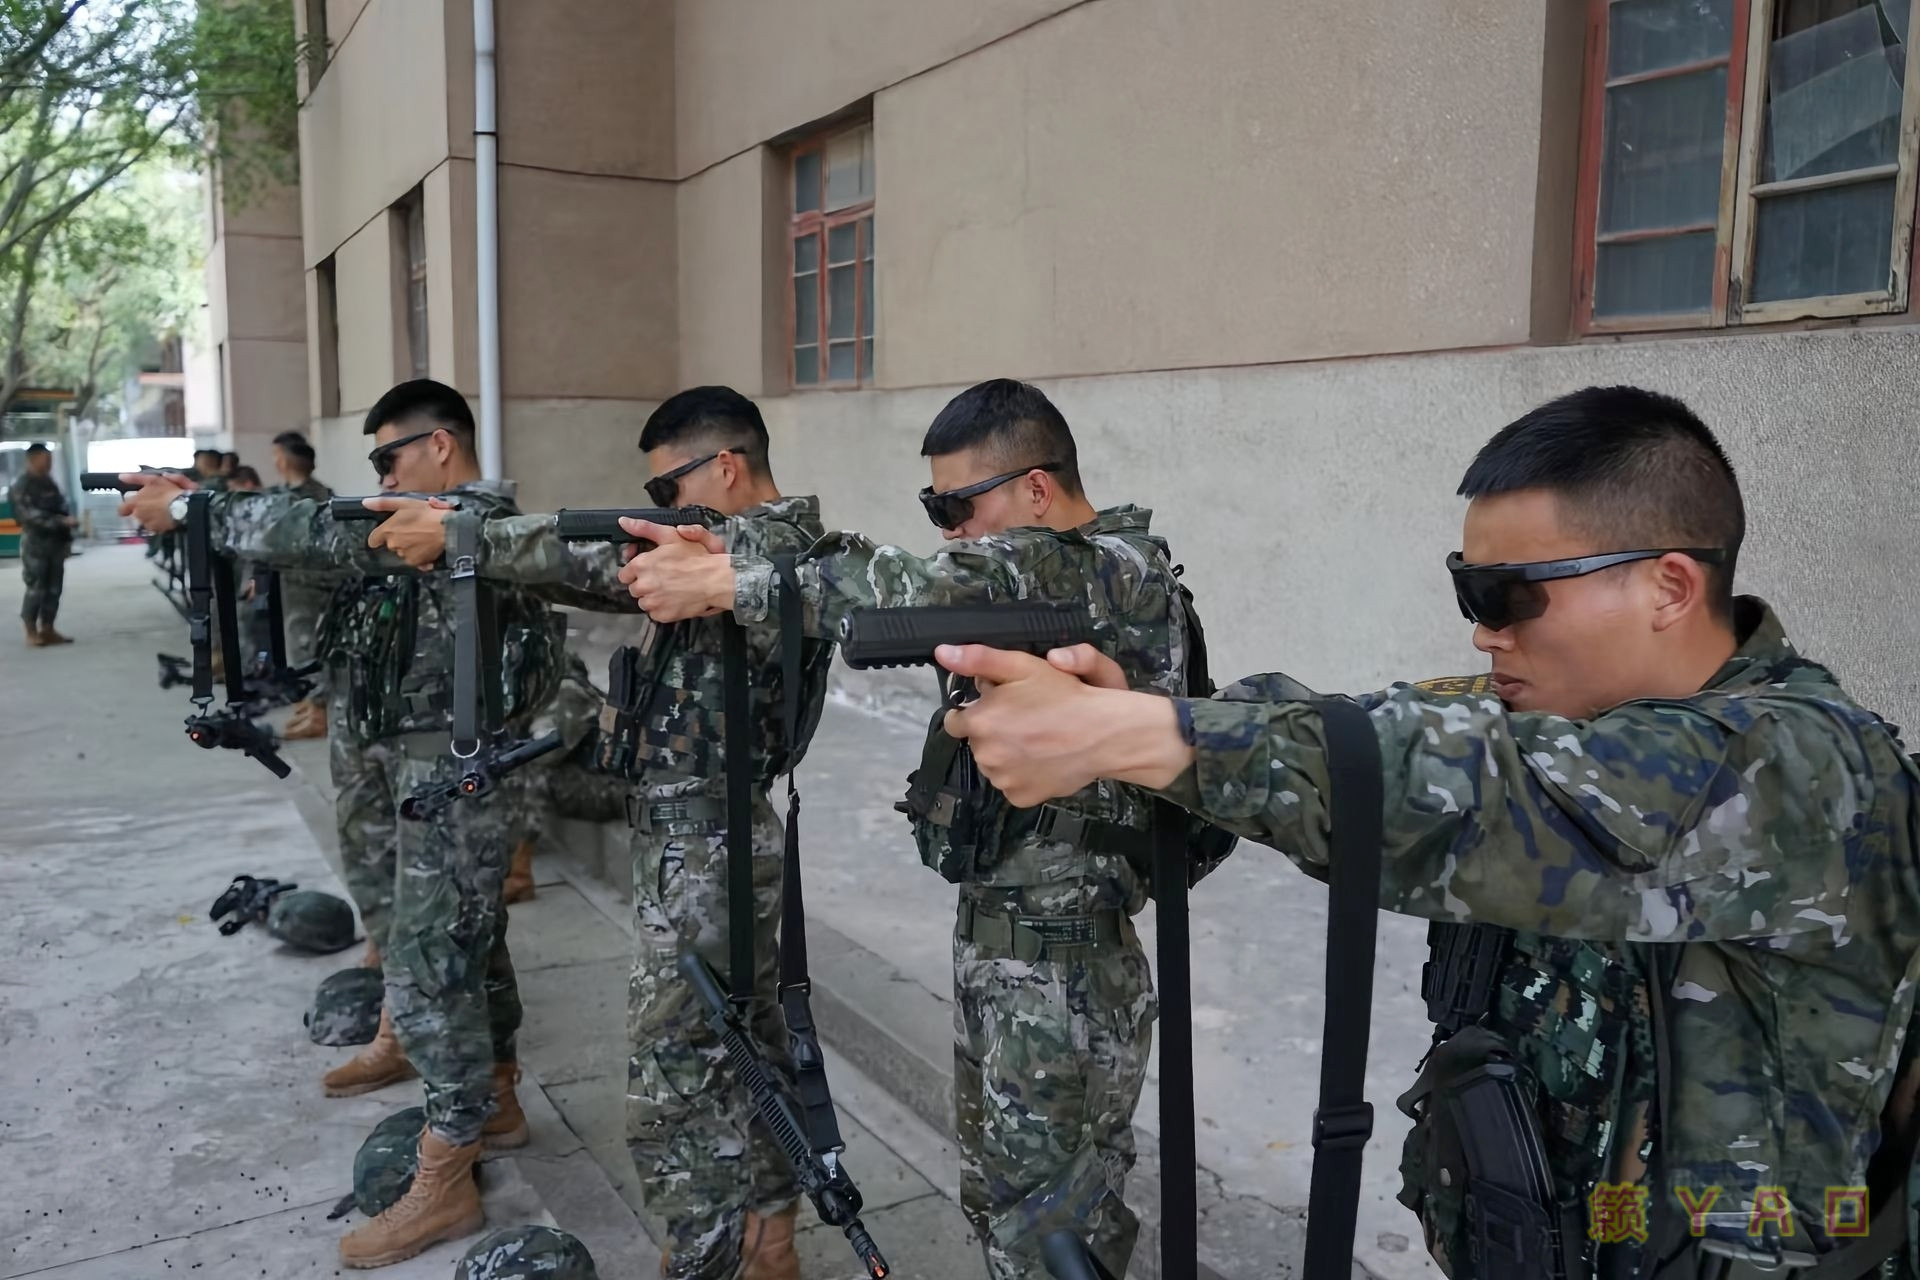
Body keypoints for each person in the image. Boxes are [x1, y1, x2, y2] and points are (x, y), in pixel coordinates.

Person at [938, 386, 1920, 1279]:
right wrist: (1135, 716)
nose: (1483, 630)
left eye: (1508, 595)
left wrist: (1150, 734)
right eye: (1467, 590)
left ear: (1668, 585)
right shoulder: (1562, 714)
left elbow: (1479, 792)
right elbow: (1371, 730)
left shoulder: (1804, 767)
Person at [620, 378, 1200, 1280]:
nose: (947, 529)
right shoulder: (1028, 575)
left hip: (1067, 972)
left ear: (1038, 491)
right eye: (932, 507)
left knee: (1054, 1229)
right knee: (1008, 1210)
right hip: (1011, 954)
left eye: (957, 505)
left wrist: (735, 578)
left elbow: (925, 586)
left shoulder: (1110, 569)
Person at [361, 385, 833, 1280]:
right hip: (703, 839)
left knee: (674, 1089)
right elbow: (584, 564)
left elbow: (594, 558)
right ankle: (767, 1244)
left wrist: (464, 536)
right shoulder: (731, 560)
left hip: (711, 847)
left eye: (665, 493)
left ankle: (709, 1259)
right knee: (745, 1053)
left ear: (725, 468)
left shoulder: (762, 546)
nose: (654, 516)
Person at [120, 380, 564, 1268]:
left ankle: (446, 1170)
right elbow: (315, 542)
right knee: (435, 940)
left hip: (450, 767)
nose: (373, 481)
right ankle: (492, 1092)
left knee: (441, 955)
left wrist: (197, 506)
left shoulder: (464, 520)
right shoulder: (404, 528)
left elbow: (312, 528)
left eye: (385, 458)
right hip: (392, 752)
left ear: (440, 447)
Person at [270, 432, 338, 741]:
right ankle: (311, 704)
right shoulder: (316, 492)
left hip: (310, 584)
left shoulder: (306, 499)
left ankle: (319, 711)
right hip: (297, 583)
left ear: (284, 459)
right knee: (300, 645)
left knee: (308, 647)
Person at [9, 442, 76, 646]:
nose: (49, 463)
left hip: (55, 543)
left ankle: (48, 628)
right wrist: (60, 521)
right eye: (45, 459)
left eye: (50, 459)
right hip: (36, 545)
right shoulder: (21, 485)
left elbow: (62, 505)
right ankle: (31, 630)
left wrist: (66, 529)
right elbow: (27, 516)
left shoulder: (48, 482)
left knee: (54, 588)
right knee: (36, 587)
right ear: (33, 459)